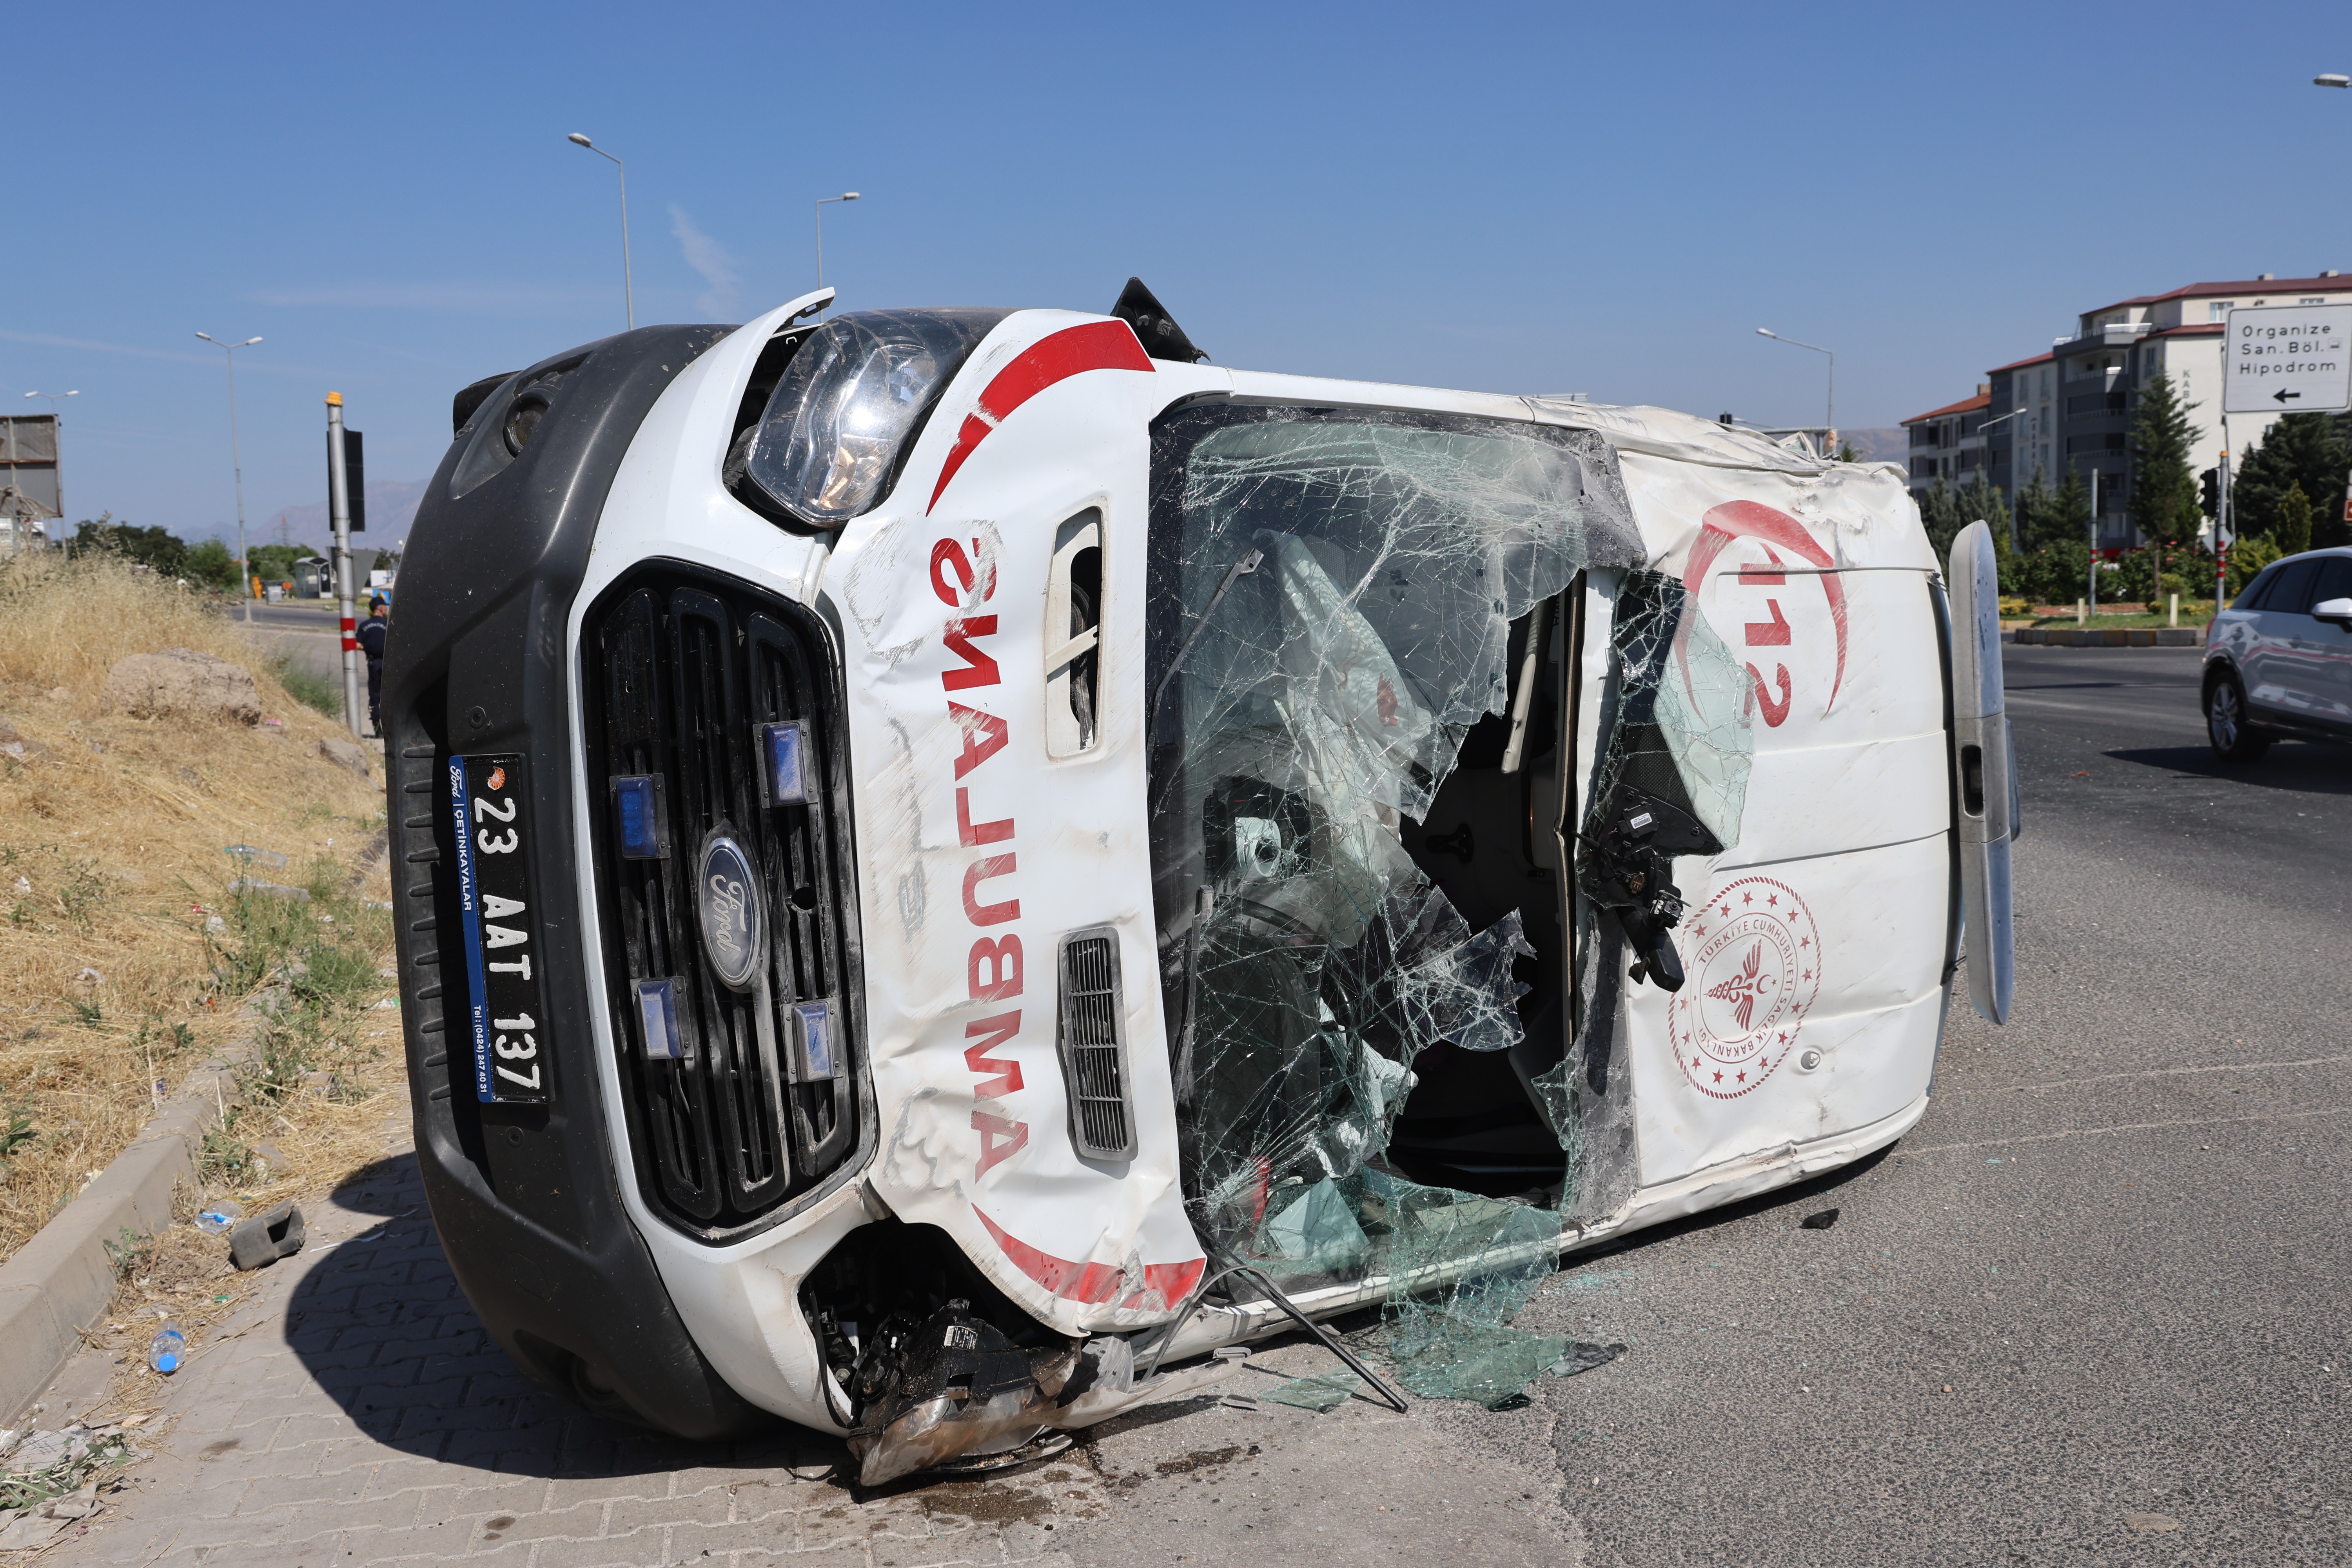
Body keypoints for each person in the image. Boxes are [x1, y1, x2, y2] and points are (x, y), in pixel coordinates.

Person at [358, 594, 389, 735]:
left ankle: (378, 729)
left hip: (373, 664)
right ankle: (392, 729)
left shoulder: (364, 626)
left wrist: (369, 647)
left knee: (375, 696)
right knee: (390, 697)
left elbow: (358, 645)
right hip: (389, 665)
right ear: (381, 608)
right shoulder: (389, 624)